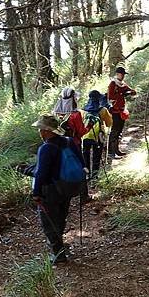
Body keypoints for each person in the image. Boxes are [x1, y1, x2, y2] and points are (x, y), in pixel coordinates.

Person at [21, 115, 86, 264]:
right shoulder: (69, 142)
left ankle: (58, 255)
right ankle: (60, 247)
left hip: (50, 190)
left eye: (40, 129)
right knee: (61, 217)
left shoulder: (46, 148)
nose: (40, 132)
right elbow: (82, 162)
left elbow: (41, 173)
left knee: (49, 222)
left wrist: (36, 193)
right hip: (68, 187)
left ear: (46, 131)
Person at [82, 90, 113, 181]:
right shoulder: (103, 110)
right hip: (98, 136)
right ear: (98, 99)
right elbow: (109, 123)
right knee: (97, 155)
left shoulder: (83, 110)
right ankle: (95, 175)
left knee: (85, 155)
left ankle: (87, 174)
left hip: (85, 135)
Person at [107, 66, 136, 158]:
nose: (123, 76)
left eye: (123, 74)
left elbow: (132, 91)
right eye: (121, 74)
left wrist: (130, 92)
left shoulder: (122, 84)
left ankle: (117, 150)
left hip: (121, 110)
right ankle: (111, 152)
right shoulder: (113, 84)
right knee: (114, 131)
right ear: (117, 74)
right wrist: (121, 94)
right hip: (115, 111)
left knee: (119, 131)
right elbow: (110, 97)